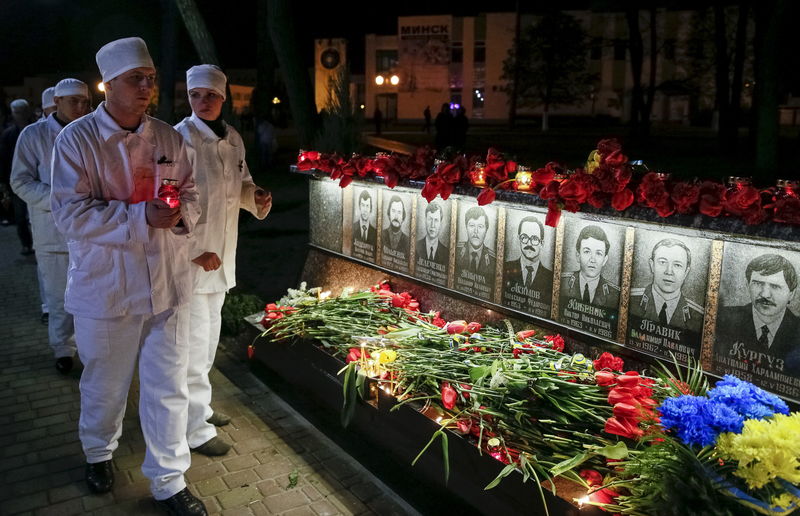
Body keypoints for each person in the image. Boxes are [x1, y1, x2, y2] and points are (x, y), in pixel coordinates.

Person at [50, 37, 206, 515]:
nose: (146, 87)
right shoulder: (76, 140)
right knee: (105, 381)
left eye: (151, 78)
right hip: (108, 287)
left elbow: (193, 195)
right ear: (108, 85)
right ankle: (99, 451)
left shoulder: (168, 138)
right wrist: (141, 219)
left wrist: (178, 215)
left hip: (167, 283)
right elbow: (71, 215)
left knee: (169, 384)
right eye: (135, 79)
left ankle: (169, 480)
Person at [175, 64, 272, 458]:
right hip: (194, 260)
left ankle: (200, 408)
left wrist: (256, 198)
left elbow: (243, 183)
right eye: (197, 95)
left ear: (224, 97)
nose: (204, 102)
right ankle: (192, 428)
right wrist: (193, 249)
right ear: (189, 98)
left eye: (212, 95)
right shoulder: (179, 139)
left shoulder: (232, 138)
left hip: (222, 258)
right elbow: (170, 200)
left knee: (208, 338)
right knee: (193, 344)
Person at [11, 78, 90, 374]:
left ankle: (88, 346)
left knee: (88, 297)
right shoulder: (34, 136)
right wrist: (57, 198)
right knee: (59, 297)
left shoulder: (92, 132)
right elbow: (19, 180)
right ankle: (62, 348)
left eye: (85, 102)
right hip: (52, 232)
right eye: (74, 101)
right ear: (56, 102)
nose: (81, 107)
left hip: (90, 232)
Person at [716, 254, 800, 375]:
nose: (765, 294)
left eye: (775, 286)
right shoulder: (723, 319)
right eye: (758, 283)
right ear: (747, 286)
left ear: (791, 293)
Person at [630, 238, 704, 331]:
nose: (669, 272)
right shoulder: (629, 300)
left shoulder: (699, 317)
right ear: (652, 265)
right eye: (662, 262)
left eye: (677, 265)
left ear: (686, 272)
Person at [0, 99, 36, 254]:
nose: (19, 115)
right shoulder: (8, 134)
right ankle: (26, 244)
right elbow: (3, 159)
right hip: (17, 181)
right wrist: (4, 183)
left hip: (37, 178)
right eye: (16, 112)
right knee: (21, 217)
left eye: (22, 111)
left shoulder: (37, 129)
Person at [560, 225, 620, 310]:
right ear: (578, 256)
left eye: (598, 253)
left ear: (604, 260)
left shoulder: (615, 294)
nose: (592, 260)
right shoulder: (561, 282)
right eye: (587, 252)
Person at [503, 216, 553, 298]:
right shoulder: (504, 267)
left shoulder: (550, 278)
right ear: (519, 239)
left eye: (535, 239)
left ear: (542, 243)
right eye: (525, 237)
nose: (529, 244)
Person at [455, 206, 496, 278]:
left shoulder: (493, 260)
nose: (476, 231)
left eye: (480, 226)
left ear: (486, 230)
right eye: (472, 225)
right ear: (466, 227)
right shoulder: (455, 251)